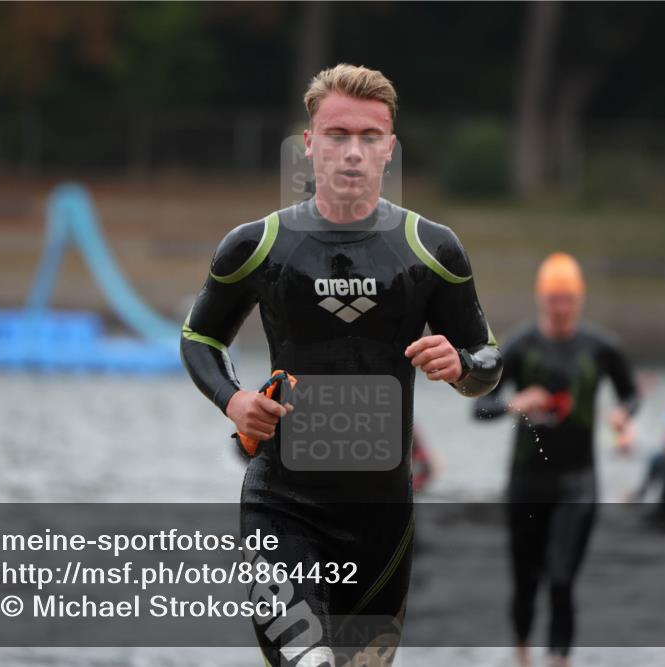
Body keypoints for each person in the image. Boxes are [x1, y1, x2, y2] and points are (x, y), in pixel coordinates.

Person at [180, 64, 502, 666]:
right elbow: (199, 337)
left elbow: (489, 362)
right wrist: (232, 399)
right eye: (337, 135)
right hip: (282, 508)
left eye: (369, 137)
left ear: (390, 149)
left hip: (383, 524)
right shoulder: (257, 245)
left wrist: (459, 364)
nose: (352, 152)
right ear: (309, 145)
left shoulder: (432, 250)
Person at [473, 252, 639, 667]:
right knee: (525, 582)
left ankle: (559, 662)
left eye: (568, 300)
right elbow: (479, 407)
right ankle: (523, 656)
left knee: (562, 579)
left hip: (578, 483)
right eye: (553, 301)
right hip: (527, 483)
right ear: (541, 300)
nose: (561, 309)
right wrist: (515, 402)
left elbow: (631, 393)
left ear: (579, 301)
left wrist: (623, 414)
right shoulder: (520, 344)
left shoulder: (601, 348)